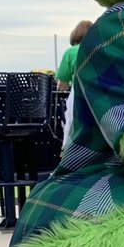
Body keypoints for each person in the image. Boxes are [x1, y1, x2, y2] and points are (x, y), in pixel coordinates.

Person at [55, 19, 93, 152]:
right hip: (100, 93)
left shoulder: (71, 52)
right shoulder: (101, 49)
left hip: (78, 93)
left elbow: (62, 86)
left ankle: (67, 154)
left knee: (71, 124)